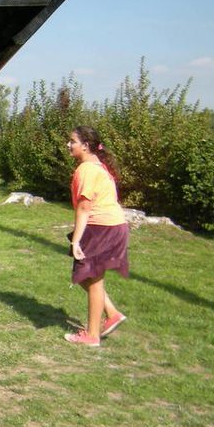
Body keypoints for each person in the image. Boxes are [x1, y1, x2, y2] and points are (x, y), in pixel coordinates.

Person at [64, 126, 128, 347]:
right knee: (86, 275)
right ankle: (112, 313)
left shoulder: (87, 170)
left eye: (72, 141)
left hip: (102, 227)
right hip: (110, 226)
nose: (68, 145)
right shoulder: (96, 167)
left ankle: (92, 336)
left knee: (93, 279)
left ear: (86, 145)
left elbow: (84, 207)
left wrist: (76, 240)